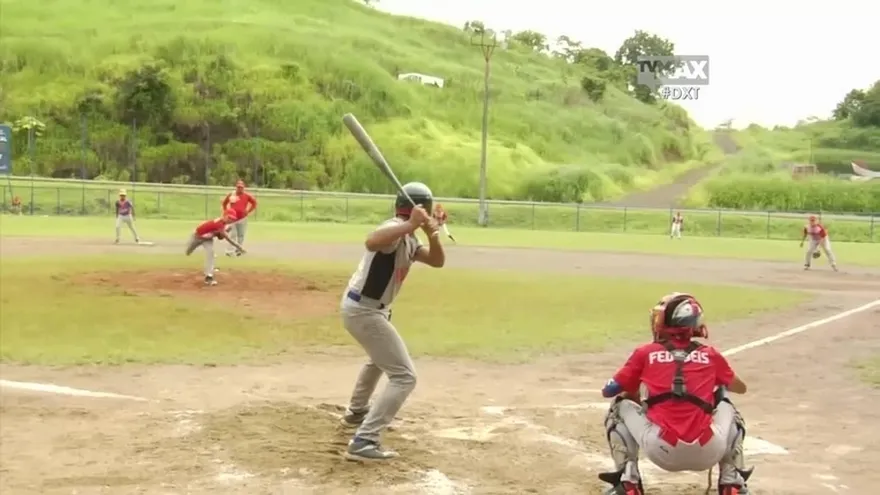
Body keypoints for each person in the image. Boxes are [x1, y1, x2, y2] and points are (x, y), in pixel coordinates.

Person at [598, 292, 753, 495]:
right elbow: (740, 388)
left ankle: (628, 482)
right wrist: (713, 381)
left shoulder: (645, 353)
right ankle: (732, 483)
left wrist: (637, 390)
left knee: (620, 406)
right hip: (709, 450)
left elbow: (609, 390)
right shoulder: (711, 354)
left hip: (662, 450)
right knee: (726, 405)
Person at [339, 182, 446, 462]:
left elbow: (437, 261)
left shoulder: (409, 236)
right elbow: (372, 240)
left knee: (379, 360)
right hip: (364, 310)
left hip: (369, 310)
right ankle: (365, 439)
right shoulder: (395, 229)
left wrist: (432, 234)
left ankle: (357, 412)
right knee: (404, 376)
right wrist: (411, 224)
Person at [185, 208, 246, 286]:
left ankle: (209, 276)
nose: (230, 220)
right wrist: (239, 247)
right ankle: (208, 269)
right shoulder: (218, 223)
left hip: (208, 240)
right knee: (188, 251)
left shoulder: (224, 224)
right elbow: (228, 239)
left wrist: (223, 232)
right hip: (196, 237)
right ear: (224, 216)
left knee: (211, 253)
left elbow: (220, 237)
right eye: (229, 217)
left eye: (232, 218)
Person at [221, 179, 258, 256]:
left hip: (242, 218)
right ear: (236, 187)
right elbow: (224, 203)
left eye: (241, 187)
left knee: (241, 235)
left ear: (244, 187)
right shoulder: (232, 195)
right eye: (238, 187)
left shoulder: (247, 195)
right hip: (232, 219)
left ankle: (238, 250)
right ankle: (229, 251)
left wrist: (248, 211)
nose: (240, 189)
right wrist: (226, 213)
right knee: (232, 234)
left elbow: (254, 203)